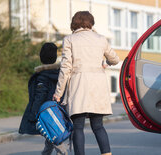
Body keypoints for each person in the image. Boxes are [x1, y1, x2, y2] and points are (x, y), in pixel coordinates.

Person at [53, 11, 119, 155]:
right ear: (91, 23)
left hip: (79, 85)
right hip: (98, 86)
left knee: (78, 127)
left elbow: (65, 68)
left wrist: (58, 93)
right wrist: (105, 63)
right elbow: (115, 59)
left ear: (74, 23)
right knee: (98, 126)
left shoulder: (70, 39)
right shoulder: (101, 39)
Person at [19, 43, 67, 155]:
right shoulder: (59, 74)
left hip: (45, 111)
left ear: (41, 57)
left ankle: (64, 153)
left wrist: (33, 113)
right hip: (59, 109)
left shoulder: (42, 76)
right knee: (50, 135)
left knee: (53, 135)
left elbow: (40, 96)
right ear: (55, 57)